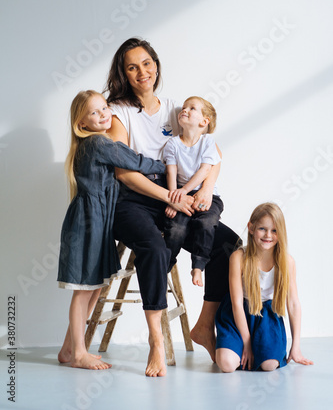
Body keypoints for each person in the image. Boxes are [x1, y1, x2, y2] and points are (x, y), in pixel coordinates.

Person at [105, 37, 240, 377]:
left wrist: (204, 191)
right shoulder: (118, 112)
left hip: (178, 196)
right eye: (132, 66)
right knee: (153, 247)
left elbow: (213, 152)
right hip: (134, 199)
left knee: (229, 245)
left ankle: (205, 325)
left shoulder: (174, 107)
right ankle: (156, 342)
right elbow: (123, 172)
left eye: (147, 63)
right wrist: (170, 197)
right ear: (123, 72)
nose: (142, 72)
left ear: (156, 65)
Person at [57, 90, 166, 370]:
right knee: (84, 289)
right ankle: (79, 353)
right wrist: (163, 167)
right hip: (89, 222)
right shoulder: (96, 143)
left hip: (99, 221)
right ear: (82, 124)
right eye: (95, 112)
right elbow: (133, 160)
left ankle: (70, 348)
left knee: (94, 288)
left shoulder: (97, 141)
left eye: (105, 107)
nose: (105, 114)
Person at [215, 202, 314, 372]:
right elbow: (237, 304)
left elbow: (293, 304)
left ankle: (258, 349)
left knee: (269, 365)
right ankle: (235, 348)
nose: (268, 235)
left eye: (274, 230)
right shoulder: (238, 258)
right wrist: (247, 344)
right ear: (251, 228)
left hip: (266, 315)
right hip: (237, 315)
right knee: (227, 365)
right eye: (262, 229)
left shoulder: (287, 262)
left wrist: (296, 346)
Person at [163, 96, 223, 287]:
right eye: (184, 107)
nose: (185, 110)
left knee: (206, 223)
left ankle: (198, 265)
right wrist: (173, 198)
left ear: (204, 122)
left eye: (192, 108)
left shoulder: (207, 141)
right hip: (181, 196)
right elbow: (170, 172)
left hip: (208, 196)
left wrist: (184, 191)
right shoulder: (172, 144)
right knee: (176, 228)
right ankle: (166, 265)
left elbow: (205, 170)